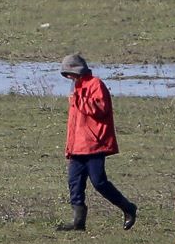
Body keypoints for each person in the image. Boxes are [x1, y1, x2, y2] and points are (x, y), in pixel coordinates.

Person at [56, 54, 137, 232]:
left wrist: (78, 99)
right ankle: (78, 221)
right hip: (77, 146)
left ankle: (128, 208)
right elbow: (74, 123)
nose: (68, 77)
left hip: (94, 144)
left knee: (99, 182)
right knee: (74, 183)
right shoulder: (76, 86)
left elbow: (100, 109)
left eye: (70, 73)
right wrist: (69, 147)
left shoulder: (95, 84)